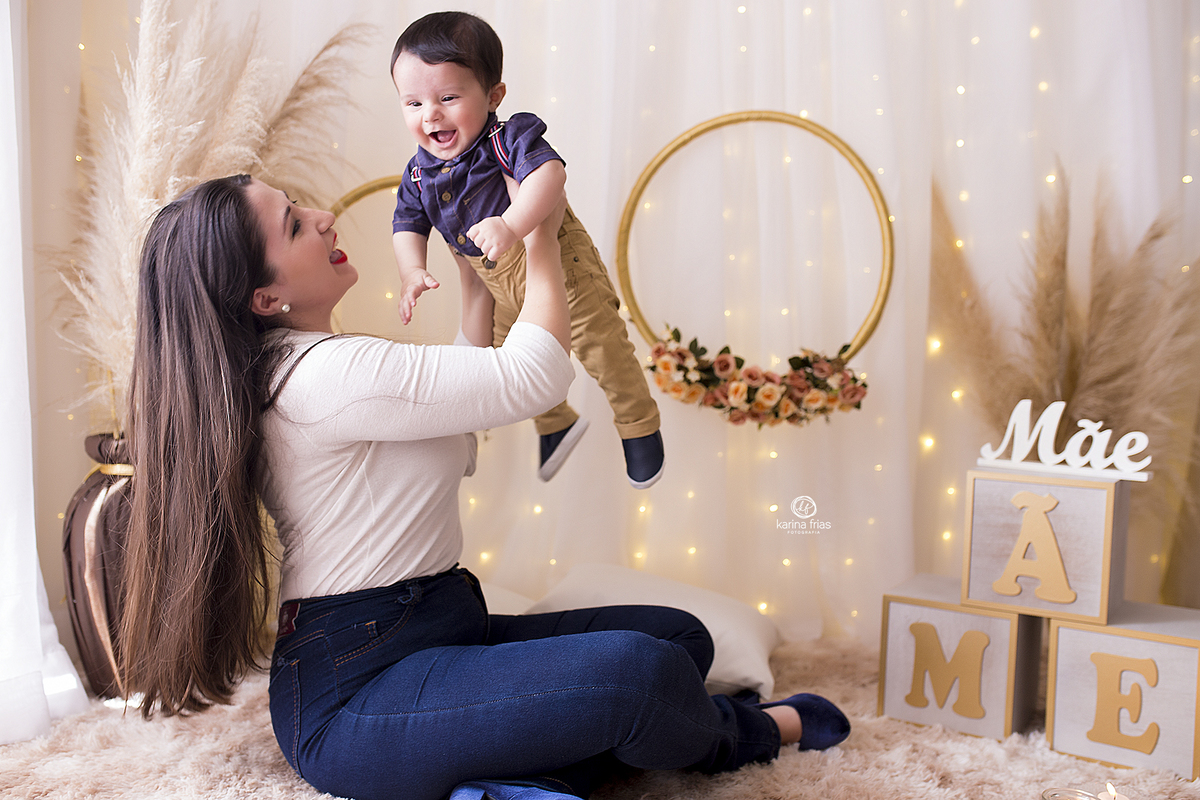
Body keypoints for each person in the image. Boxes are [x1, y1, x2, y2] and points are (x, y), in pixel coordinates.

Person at [118, 174, 850, 800]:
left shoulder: (314, 367)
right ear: (264, 296)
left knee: (680, 637)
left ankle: (508, 773)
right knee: (644, 675)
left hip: (441, 630)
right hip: (356, 694)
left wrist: (472, 279)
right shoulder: (323, 377)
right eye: (294, 224)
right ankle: (749, 732)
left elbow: (457, 423)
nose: (324, 217)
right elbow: (533, 377)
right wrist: (541, 236)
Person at [390, 10, 665, 488]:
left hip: (557, 259)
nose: (430, 114)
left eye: (448, 98)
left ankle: (638, 424)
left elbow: (550, 175)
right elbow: (406, 224)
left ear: (493, 95)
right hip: (493, 278)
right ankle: (555, 423)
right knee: (511, 358)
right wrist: (412, 270)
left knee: (599, 345)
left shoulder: (505, 137)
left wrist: (512, 223)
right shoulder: (417, 173)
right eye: (413, 103)